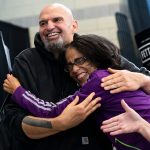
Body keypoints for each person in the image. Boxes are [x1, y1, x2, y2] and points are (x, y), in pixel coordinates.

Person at [1, 2, 150, 150]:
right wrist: (59, 124)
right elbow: (12, 119)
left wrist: (143, 79)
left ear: (74, 25)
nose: (49, 26)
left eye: (57, 20)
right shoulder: (27, 60)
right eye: (43, 23)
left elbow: (143, 77)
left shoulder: (97, 58)